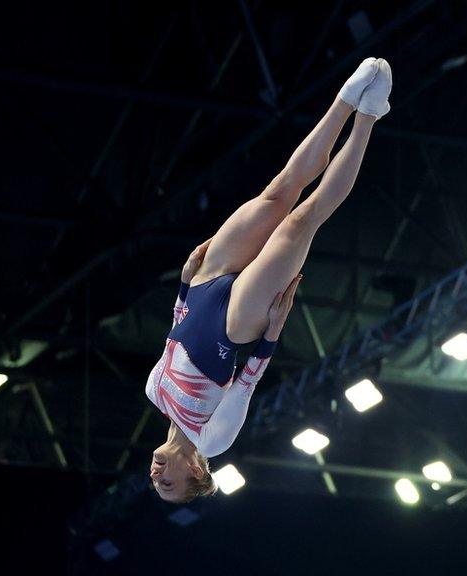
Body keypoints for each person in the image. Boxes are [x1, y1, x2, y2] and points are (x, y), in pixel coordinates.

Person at [145, 57, 393, 502]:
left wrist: (184, 285)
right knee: (301, 221)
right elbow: (246, 385)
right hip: (235, 326)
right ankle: (371, 115)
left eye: (154, 480)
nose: (156, 473)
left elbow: (173, 336)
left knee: (278, 192)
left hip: (203, 288)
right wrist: (273, 334)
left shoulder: (154, 393)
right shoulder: (213, 441)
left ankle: (345, 100)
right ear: (195, 474)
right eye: (168, 483)